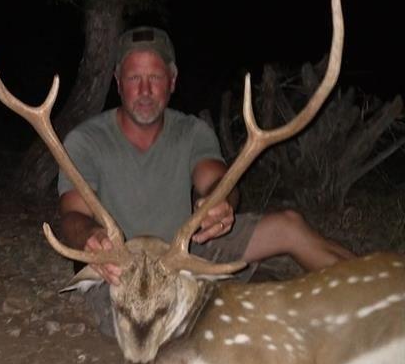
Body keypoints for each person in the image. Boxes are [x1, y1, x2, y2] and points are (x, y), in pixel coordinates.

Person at [57, 26, 354, 333]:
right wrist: (90, 236)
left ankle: (376, 287)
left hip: (183, 253)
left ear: (172, 81)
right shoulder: (85, 140)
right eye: (134, 78)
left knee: (288, 226)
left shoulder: (191, 131)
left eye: (155, 77)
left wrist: (219, 202)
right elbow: (72, 215)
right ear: (118, 82)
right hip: (118, 270)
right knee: (168, 324)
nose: (145, 90)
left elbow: (216, 180)